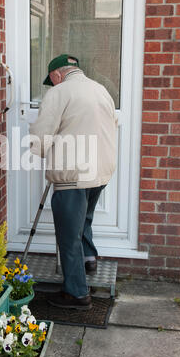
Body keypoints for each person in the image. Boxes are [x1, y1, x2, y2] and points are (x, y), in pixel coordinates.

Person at [29, 54, 118, 310]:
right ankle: (89, 260)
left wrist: (36, 148)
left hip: (74, 174)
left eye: (52, 80)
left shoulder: (59, 93)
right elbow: (112, 123)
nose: (52, 84)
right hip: (101, 171)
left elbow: (41, 135)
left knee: (69, 236)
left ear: (57, 75)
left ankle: (77, 293)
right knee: (84, 219)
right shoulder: (101, 90)